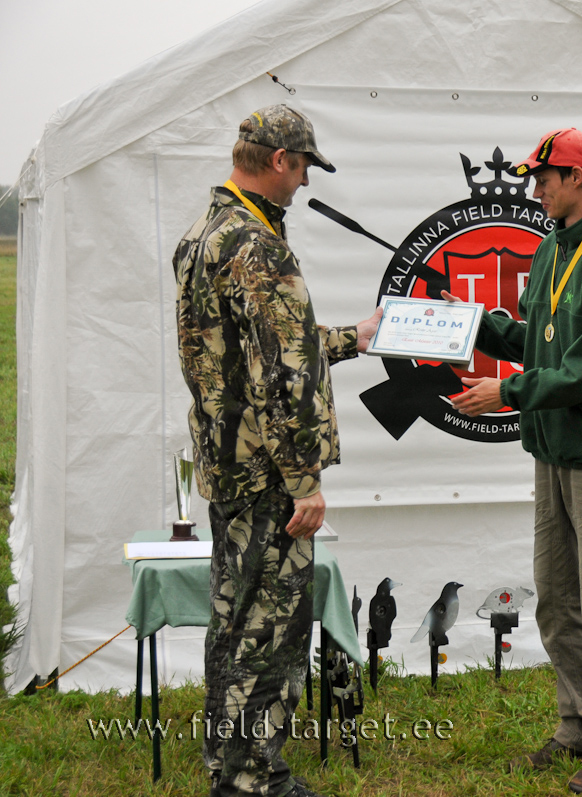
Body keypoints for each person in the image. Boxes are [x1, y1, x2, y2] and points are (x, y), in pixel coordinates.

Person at [173, 104, 381, 797]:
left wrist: (356, 334)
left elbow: (252, 351)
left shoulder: (203, 233)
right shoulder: (258, 244)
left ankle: (226, 769)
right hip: (268, 476)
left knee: (232, 623)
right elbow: (285, 372)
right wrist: (305, 480)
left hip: (228, 468)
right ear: (278, 160)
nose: (303, 183)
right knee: (271, 631)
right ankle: (257, 777)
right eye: (302, 168)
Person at [446, 127, 582, 793]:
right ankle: (580, 721)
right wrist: (474, 321)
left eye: (544, 178)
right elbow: (533, 339)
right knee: (559, 600)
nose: (535, 189)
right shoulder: (548, 250)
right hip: (552, 452)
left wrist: (508, 390)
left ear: (576, 179)